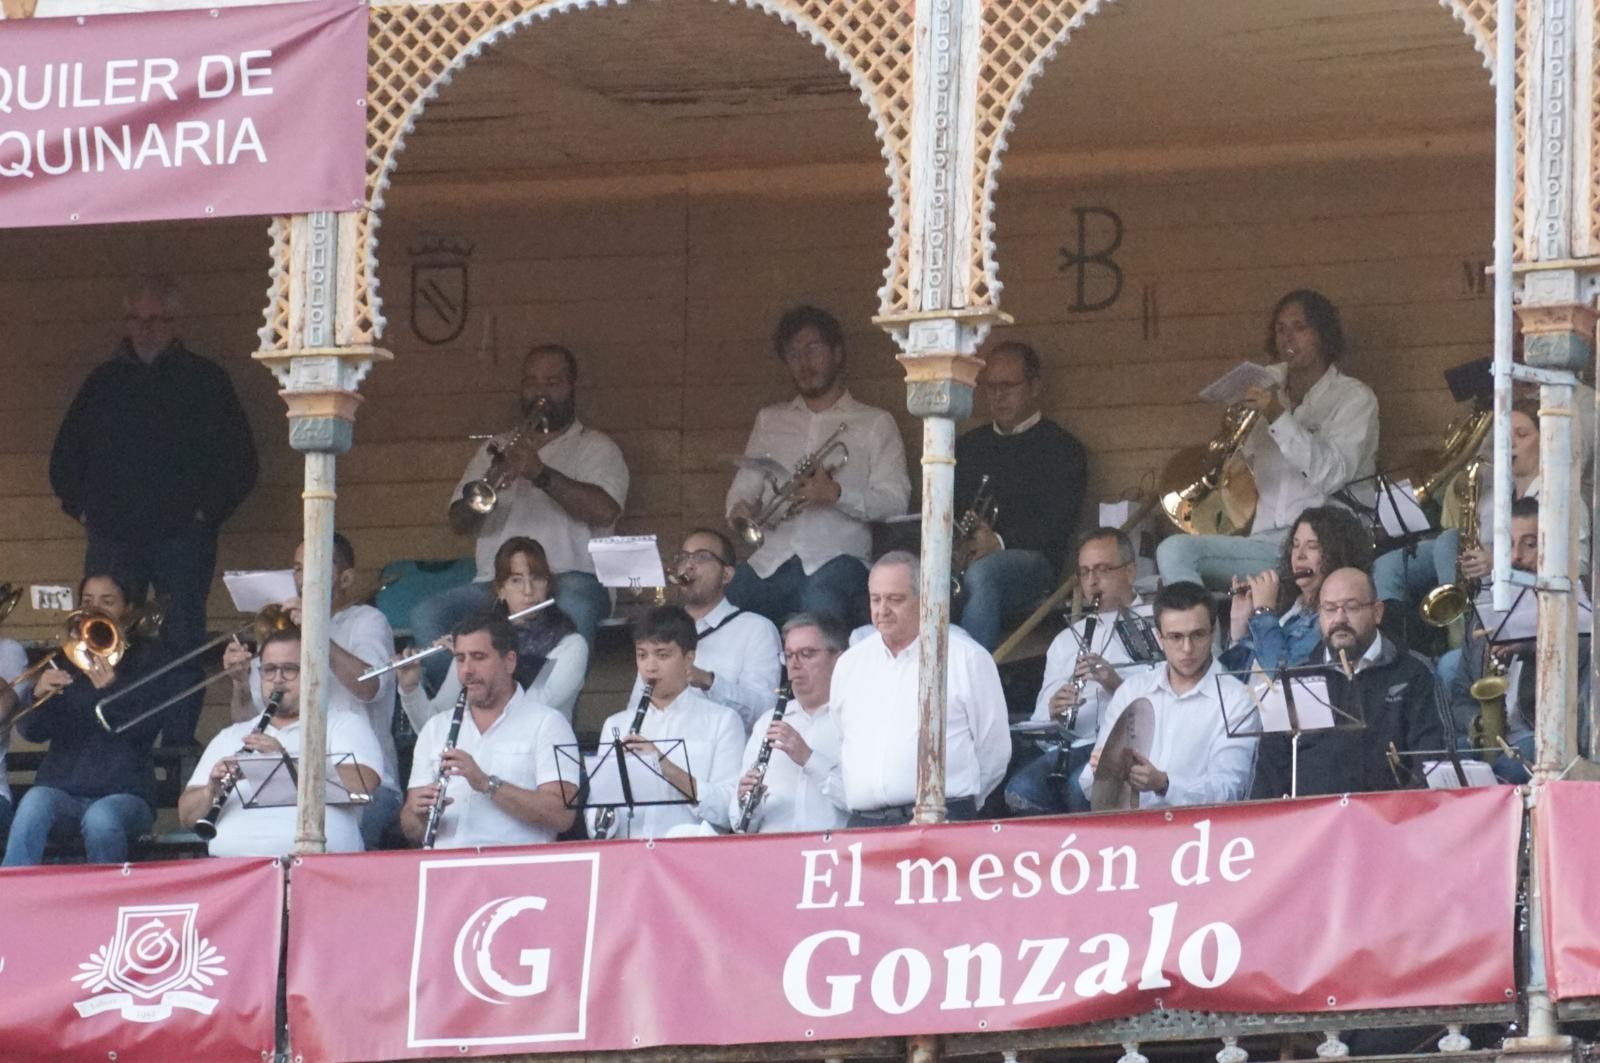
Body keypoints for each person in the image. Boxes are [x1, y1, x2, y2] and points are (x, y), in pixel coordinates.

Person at [49, 273, 258, 746]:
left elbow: (241, 461)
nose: (147, 328)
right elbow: (65, 458)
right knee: (101, 635)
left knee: (180, 641)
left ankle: (179, 739)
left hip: (182, 539)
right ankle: (113, 734)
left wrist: (206, 515)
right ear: (126, 322)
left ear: (174, 321)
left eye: (157, 319)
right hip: (113, 538)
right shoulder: (103, 383)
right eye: (137, 319)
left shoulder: (205, 380)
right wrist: (83, 510)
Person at [412, 343, 628, 672]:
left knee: (574, 607)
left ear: (572, 388)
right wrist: (491, 484)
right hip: (496, 583)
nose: (540, 393)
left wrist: (540, 474)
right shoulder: (495, 448)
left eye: (552, 382)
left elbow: (605, 511)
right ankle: (469, 706)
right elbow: (458, 521)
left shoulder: (596, 447)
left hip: (569, 577)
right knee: (428, 614)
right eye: (532, 382)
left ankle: (556, 709)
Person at [1156, 290, 1378, 591]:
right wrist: (1227, 448)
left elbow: (1331, 475)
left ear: (1324, 336)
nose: (1288, 339)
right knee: (1171, 553)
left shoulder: (1354, 398)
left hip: (1327, 544)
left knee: (1176, 552)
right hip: (1266, 543)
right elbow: (1240, 480)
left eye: (1300, 328)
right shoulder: (1264, 387)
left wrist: (1277, 416)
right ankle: (1197, 635)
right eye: (1280, 329)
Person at [725, 306, 911, 630]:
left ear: (837, 353)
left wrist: (836, 493)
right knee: (725, 604)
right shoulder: (769, 420)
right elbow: (744, 486)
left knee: (817, 611)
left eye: (813, 349)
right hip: (771, 561)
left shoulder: (875, 423)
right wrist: (741, 509)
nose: (804, 362)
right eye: (793, 354)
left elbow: (896, 500)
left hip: (839, 562)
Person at [222, 533, 401, 848]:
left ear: (345, 577)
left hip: (365, 784)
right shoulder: (282, 630)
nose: (303, 579)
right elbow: (247, 717)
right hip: (278, 782)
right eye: (298, 569)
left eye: (315, 567)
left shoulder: (367, 622)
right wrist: (239, 684)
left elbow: (369, 686)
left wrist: (317, 632)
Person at [2, 574, 173, 866]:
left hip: (125, 794)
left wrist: (113, 690)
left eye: (108, 601)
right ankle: (10, 900)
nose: (95, 608)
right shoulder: (65, 659)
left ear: (128, 609)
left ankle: (104, 905)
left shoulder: (148, 660)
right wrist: (37, 696)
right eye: (87, 601)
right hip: (62, 792)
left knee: (101, 819)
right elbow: (31, 732)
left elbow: (147, 729)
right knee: (32, 804)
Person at [831, 552, 1010, 827]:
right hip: (865, 825)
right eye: (875, 599)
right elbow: (842, 741)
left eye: (895, 599)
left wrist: (957, 808)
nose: (882, 610)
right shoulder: (849, 664)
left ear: (924, 598)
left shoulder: (966, 658)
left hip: (944, 820)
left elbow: (994, 751)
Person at [181, 628, 382, 857]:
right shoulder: (230, 736)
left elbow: (364, 783)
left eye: (289, 669)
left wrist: (285, 764)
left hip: (315, 868)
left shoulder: (342, 723)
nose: (278, 679)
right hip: (233, 874)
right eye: (269, 670)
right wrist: (211, 790)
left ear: (312, 670)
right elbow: (187, 816)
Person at [1251, 568, 1447, 798]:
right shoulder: (1295, 681)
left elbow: (1434, 765)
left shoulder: (1413, 673)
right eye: (1330, 609)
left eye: (1352, 607)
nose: (1339, 618)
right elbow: (1268, 774)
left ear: (1377, 612)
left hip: (1391, 823)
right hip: (1311, 826)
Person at [1005, 528, 1158, 816]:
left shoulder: (1157, 625)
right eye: (1085, 572)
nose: (1092, 582)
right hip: (1075, 746)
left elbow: (1169, 700)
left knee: (1080, 790)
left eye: (1102, 570)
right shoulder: (1066, 640)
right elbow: (1039, 724)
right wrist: (1054, 709)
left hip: (1130, 748)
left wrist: (1116, 684)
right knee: (1021, 792)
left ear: (1130, 571)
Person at [953, 340, 1088, 649]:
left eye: (1009, 385)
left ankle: (974, 685)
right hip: (966, 559)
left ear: (1034, 386)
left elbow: (1057, 526)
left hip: (1034, 566)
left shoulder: (1063, 448)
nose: (998, 396)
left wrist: (997, 543)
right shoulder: (967, 447)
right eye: (990, 387)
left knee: (983, 573)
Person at [402, 614, 578, 849]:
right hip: (444, 868)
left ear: (510, 661)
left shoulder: (548, 724)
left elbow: (562, 815)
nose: (466, 670)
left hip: (516, 869)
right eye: (460, 659)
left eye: (478, 657)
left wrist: (486, 784)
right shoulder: (436, 728)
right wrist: (420, 815)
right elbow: (410, 829)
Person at [1080, 581, 1258, 810]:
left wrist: (1164, 784)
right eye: (1175, 637)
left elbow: (1230, 790)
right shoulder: (1132, 690)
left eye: (1198, 635)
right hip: (1126, 829)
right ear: (1159, 638)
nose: (1187, 648)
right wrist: (1104, 771)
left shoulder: (1238, 701)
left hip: (1198, 835)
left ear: (1213, 633)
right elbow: (1086, 783)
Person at [1449, 498, 1590, 783]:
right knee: (1446, 764)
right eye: (1509, 545)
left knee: (1505, 769)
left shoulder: (1577, 611)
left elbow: (1587, 658)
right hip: (1491, 738)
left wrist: (1535, 647)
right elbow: (1461, 694)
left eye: (1530, 544)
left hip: (1545, 738)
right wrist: (1478, 724)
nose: (1515, 557)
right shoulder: (1485, 611)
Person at [588, 606, 745, 839]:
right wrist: (608, 801)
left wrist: (664, 766)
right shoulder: (616, 725)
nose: (650, 667)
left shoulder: (722, 721)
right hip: (627, 858)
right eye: (642, 655)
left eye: (662, 655)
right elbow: (595, 823)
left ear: (688, 659)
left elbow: (728, 810)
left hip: (691, 859)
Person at [399, 536, 588, 727]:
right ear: (501, 590)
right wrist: (410, 689)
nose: (528, 590)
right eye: (516, 580)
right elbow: (433, 725)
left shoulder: (568, 645)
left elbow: (534, 707)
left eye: (537, 579)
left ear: (547, 586)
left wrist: (485, 660)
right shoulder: (478, 642)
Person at [631, 528, 781, 733]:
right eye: (683, 558)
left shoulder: (756, 629)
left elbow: (765, 713)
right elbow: (634, 709)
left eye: (702, 557)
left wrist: (708, 681)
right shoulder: (662, 629)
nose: (689, 565)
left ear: (726, 574)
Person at [729, 612, 850, 834]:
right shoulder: (767, 722)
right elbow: (738, 824)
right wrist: (747, 802)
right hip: (773, 855)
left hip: (831, 857)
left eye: (807, 654)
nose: (794, 665)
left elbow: (857, 801)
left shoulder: (855, 718)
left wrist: (808, 758)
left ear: (838, 659)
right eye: (788, 655)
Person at [1223, 505, 1373, 674]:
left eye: (1312, 546)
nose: (1299, 555)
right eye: (1295, 545)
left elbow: (1285, 678)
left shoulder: (1332, 620)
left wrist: (1264, 612)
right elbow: (1232, 681)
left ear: (1338, 554)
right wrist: (1239, 626)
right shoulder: (1287, 608)